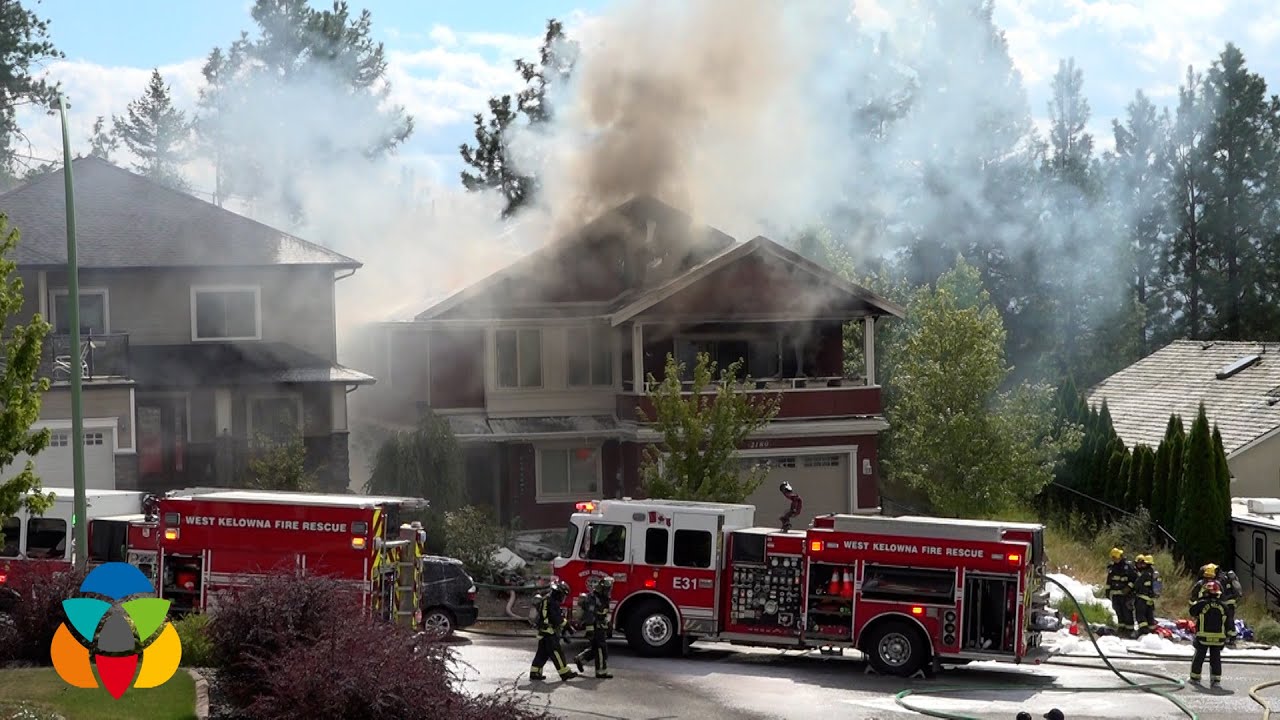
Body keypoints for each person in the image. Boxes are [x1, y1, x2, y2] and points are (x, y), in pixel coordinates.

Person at [530, 580, 579, 682]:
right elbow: (556, 619)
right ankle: (565, 673)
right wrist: (568, 627)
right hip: (550, 632)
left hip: (544, 632)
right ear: (559, 593)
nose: (563, 597)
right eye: (563, 595)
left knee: (542, 653)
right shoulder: (552, 602)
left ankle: (535, 672)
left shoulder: (547, 599)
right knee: (557, 653)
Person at [574, 576, 615, 678]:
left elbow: (604, 614)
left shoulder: (604, 598)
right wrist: (590, 630)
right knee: (601, 648)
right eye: (607, 589)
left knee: (596, 648)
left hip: (600, 626)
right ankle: (601, 672)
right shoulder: (592, 598)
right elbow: (589, 615)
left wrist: (608, 626)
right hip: (594, 626)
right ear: (602, 588)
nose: (608, 591)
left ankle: (580, 659)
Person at [1189, 580, 1227, 688]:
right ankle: (1216, 680)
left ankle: (1195, 678)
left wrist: (1198, 601)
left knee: (1199, 657)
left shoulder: (1202, 604)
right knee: (1216, 658)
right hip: (1218, 638)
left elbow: (1192, 611)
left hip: (1203, 637)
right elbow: (1228, 622)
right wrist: (1229, 635)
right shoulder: (1224, 606)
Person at [1105, 547, 1137, 637]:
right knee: (1119, 611)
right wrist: (1107, 592)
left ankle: (1130, 630)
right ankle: (1121, 629)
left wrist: (1128, 588)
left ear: (1120, 557)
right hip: (1116, 595)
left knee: (1127, 612)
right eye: (1113, 558)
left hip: (1126, 595)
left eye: (1116, 557)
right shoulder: (1112, 568)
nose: (1114, 559)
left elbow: (1134, 579)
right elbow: (1109, 581)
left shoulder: (1128, 567)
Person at [1133, 554, 1157, 636]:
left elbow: (1136, 585)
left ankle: (1144, 632)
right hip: (1150, 600)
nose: (1142, 564)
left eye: (1144, 563)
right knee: (1149, 616)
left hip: (1142, 599)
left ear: (1147, 564)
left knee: (1141, 616)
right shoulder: (1155, 574)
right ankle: (1151, 633)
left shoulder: (1145, 574)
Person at [1222, 570, 1242, 647]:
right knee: (1229, 619)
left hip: (1228, 603)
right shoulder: (1233, 582)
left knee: (1228, 619)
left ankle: (1231, 636)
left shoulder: (1227, 582)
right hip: (1231, 603)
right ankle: (1230, 636)